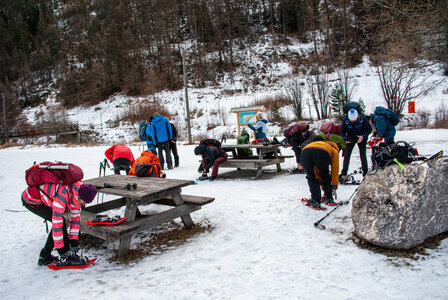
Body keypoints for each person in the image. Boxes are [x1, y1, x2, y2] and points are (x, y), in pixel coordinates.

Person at [21, 181, 97, 266]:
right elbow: (57, 224)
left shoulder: (77, 194)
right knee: (60, 223)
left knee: (62, 223)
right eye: (84, 201)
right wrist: (62, 251)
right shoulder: (62, 196)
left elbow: (75, 219)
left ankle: (45, 256)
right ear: (79, 196)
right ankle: (56, 256)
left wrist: (74, 242)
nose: (84, 203)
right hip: (31, 199)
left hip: (46, 196)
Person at [301, 136, 340, 210]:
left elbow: (316, 169)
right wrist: (334, 186)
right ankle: (328, 198)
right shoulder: (333, 149)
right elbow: (335, 169)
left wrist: (320, 182)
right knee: (325, 175)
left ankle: (315, 201)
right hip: (322, 152)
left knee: (311, 176)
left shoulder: (313, 145)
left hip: (305, 152)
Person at [340, 108, 372, 179]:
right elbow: (342, 132)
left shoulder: (362, 118)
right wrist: (345, 138)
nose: (353, 121)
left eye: (354, 120)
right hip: (350, 138)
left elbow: (369, 129)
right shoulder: (345, 120)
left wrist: (363, 136)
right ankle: (344, 173)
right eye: (351, 120)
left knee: (363, 154)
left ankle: (365, 173)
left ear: (357, 116)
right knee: (347, 155)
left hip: (361, 137)